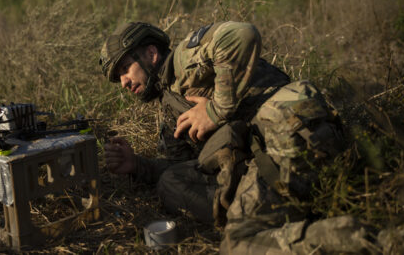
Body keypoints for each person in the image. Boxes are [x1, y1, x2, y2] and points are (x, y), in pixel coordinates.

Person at [100, 21, 374, 254]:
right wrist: (136, 165)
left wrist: (215, 111)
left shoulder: (181, 63)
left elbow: (242, 34)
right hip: (277, 147)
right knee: (170, 183)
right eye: (117, 78)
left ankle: (380, 242)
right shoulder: (170, 105)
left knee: (239, 244)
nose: (123, 82)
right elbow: (181, 168)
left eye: (125, 68)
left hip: (288, 132)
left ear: (151, 53)